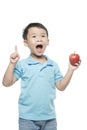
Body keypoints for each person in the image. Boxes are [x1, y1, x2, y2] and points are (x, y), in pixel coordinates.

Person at [2, 23, 81, 130]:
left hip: (50, 118)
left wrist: (70, 70)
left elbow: (61, 87)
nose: (39, 39)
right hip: (27, 118)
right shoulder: (23, 64)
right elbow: (6, 83)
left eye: (43, 36)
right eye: (34, 36)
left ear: (48, 41)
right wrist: (12, 63)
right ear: (26, 43)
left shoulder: (53, 65)